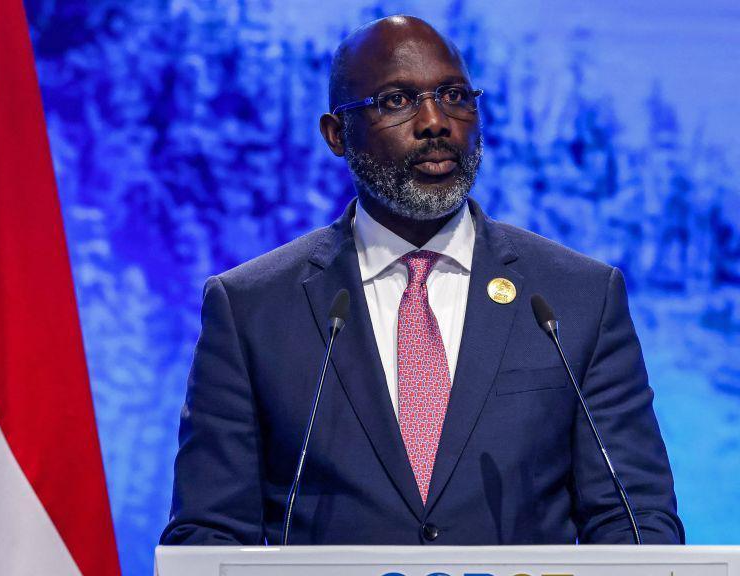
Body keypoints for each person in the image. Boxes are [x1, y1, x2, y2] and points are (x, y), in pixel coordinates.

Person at [160, 15, 683, 546]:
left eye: (454, 96)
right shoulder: (252, 307)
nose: (435, 122)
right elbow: (210, 530)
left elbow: (634, 519)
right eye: (396, 101)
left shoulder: (577, 297)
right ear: (337, 135)